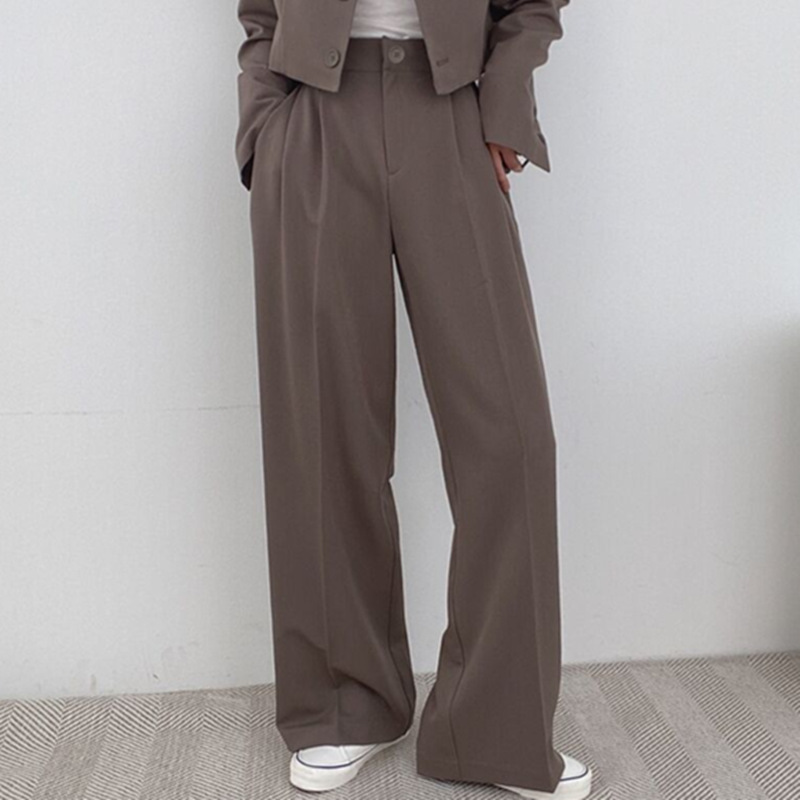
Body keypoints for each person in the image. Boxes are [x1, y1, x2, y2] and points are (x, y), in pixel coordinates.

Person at [234, 0, 591, 797]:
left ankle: (493, 729)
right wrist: (264, 126)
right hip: (313, 117)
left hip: (451, 110)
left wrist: (505, 100)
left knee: (510, 439)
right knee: (324, 430)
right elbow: (259, 11)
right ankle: (346, 704)